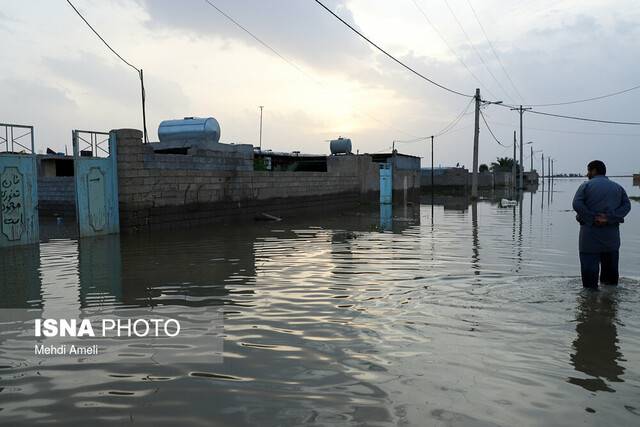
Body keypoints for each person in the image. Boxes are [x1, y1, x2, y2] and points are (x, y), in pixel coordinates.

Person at [572, 160, 631, 288]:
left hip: (589, 239)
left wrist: (591, 218)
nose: (587, 174)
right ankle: (609, 304)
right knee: (610, 284)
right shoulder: (618, 187)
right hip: (611, 240)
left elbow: (576, 204)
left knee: (589, 284)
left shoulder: (585, 186)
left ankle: (589, 304)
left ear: (594, 171)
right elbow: (627, 206)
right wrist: (609, 218)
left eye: (588, 170)